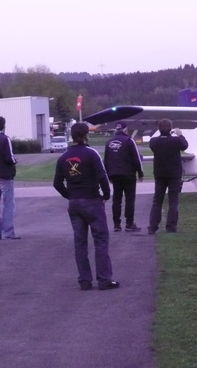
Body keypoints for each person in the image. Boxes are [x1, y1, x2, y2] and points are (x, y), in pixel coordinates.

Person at [53, 122, 119, 291]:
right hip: (91, 200)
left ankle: (84, 280)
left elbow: (57, 183)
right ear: (86, 135)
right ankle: (104, 279)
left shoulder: (63, 157)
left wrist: (69, 195)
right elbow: (102, 176)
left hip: (74, 202)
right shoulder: (91, 153)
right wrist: (106, 195)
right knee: (100, 240)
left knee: (80, 242)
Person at [148, 119, 188, 234]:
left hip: (160, 174)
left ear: (159, 129)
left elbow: (156, 144)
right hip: (174, 174)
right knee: (173, 201)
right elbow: (185, 146)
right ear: (170, 129)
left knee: (157, 201)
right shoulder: (176, 141)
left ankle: (152, 227)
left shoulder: (154, 141)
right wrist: (180, 134)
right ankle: (171, 227)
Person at [104, 121, 144, 232]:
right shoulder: (129, 141)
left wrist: (108, 174)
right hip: (128, 174)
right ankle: (129, 223)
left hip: (114, 174)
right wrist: (140, 172)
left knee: (117, 199)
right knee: (129, 199)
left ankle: (116, 224)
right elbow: (136, 158)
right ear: (125, 129)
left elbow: (106, 160)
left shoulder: (109, 142)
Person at [0, 116, 20, 240]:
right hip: (4, 175)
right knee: (8, 204)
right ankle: (8, 232)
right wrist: (14, 161)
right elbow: (9, 157)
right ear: (3, 126)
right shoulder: (4, 139)